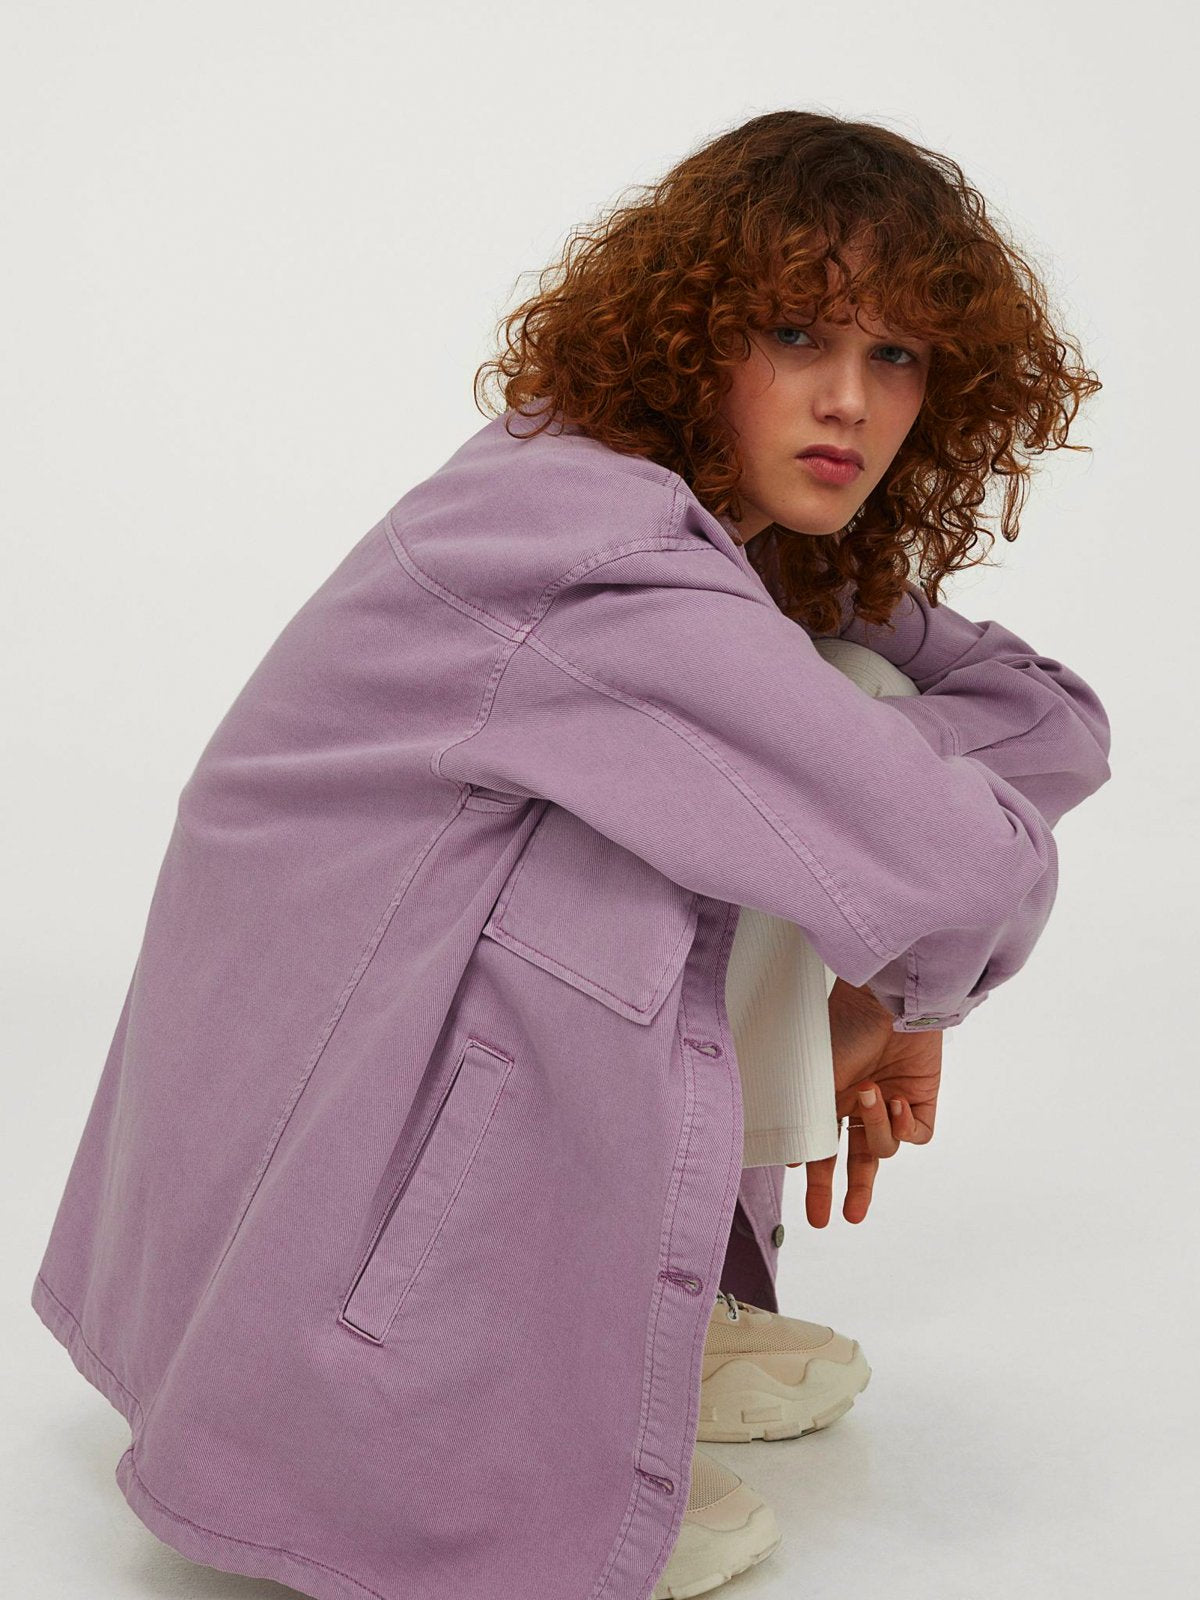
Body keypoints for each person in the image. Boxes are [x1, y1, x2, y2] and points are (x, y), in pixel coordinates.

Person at [31, 110, 1111, 1600]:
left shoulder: (728, 529)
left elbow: (1051, 715)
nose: (850, 401)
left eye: (899, 355)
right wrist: (895, 963)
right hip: (318, 1089)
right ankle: (469, 1418)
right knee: (700, 820)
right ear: (695, 330)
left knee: (821, 728)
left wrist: (880, 887)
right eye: (798, 333)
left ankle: (610, 1331)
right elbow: (961, 872)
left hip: (313, 1044)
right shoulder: (596, 549)